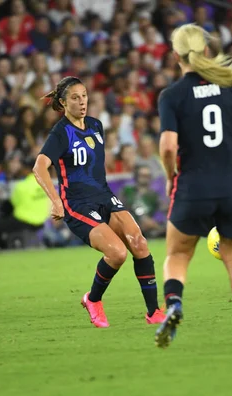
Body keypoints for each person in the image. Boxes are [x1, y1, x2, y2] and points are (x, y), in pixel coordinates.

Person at [155, 24, 232, 348]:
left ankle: (174, 304)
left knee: (177, 253)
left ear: (176, 56)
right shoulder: (231, 87)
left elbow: (168, 147)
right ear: (206, 51)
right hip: (231, 186)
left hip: (193, 187)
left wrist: (171, 175)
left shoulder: (172, 95)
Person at [32, 76, 166, 328]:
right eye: (74, 98)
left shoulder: (95, 125)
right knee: (116, 253)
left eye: (84, 96)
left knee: (139, 243)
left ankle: (153, 312)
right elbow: (39, 167)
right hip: (77, 204)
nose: (82, 102)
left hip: (104, 197)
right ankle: (93, 299)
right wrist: (56, 201)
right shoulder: (61, 133)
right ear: (62, 103)